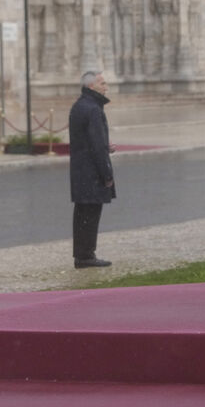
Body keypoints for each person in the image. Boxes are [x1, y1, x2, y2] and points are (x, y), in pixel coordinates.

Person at [68, 71, 115, 269]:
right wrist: (107, 174)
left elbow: (87, 140)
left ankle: (82, 254)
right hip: (92, 172)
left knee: (82, 214)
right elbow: (95, 145)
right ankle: (86, 256)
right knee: (90, 214)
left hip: (80, 170)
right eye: (102, 83)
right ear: (91, 87)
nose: (106, 87)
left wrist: (105, 146)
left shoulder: (79, 105)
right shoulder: (94, 109)